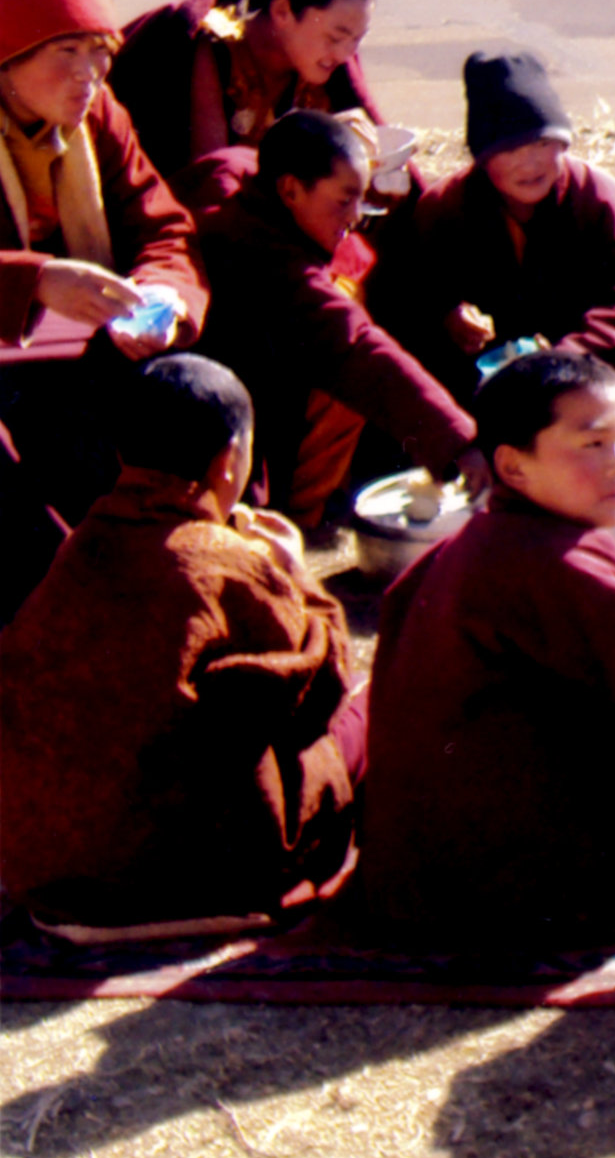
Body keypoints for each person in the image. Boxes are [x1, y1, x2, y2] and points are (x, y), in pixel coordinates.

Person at [355, 350, 615, 949]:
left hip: (426, 877)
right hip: (510, 893)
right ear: (512, 467)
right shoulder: (545, 557)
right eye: (592, 446)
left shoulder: (482, 542)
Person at [0, 354, 359, 942]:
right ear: (231, 461)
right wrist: (299, 578)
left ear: (121, 454)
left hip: (47, 864)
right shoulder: (223, 557)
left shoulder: (82, 542)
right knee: (356, 723)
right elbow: (318, 688)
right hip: (167, 873)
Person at [0, 0, 210, 619]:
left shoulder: (95, 118)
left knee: (193, 400)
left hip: (69, 355)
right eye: (66, 53)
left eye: (100, 53)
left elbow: (162, 224)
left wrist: (164, 296)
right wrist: (34, 281)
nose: (88, 77)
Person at [191, 110, 480, 524]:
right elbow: (356, 346)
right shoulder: (260, 250)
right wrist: (455, 443)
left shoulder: (239, 168)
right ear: (290, 190)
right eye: (344, 200)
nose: (354, 218)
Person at [366, 48, 615, 407]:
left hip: (586, 384)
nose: (530, 163)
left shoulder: (600, 200)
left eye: (544, 143)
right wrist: (447, 314)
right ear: (481, 157)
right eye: (510, 148)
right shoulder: (444, 210)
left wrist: (566, 358)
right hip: (481, 394)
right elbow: (407, 296)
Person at [110, 0, 384, 178]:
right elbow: (213, 178)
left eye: (357, 40)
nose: (347, 55)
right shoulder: (216, 48)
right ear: (282, 13)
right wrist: (324, 149)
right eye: (335, 38)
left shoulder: (324, 62)